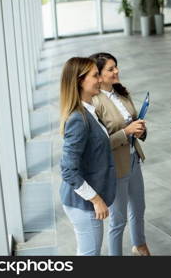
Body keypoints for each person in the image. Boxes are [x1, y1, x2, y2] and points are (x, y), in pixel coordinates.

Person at [89, 52, 151, 256]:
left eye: (116, 66)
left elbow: (134, 121)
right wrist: (127, 131)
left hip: (133, 159)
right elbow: (99, 145)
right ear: (98, 74)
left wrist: (140, 130)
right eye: (110, 69)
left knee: (139, 209)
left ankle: (140, 245)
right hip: (116, 167)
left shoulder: (121, 93)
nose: (116, 71)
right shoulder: (95, 103)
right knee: (118, 220)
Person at [59, 57, 116, 256]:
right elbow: (68, 170)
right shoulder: (78, 119)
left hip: (84, 201)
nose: (100, 79)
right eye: (95, 75)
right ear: (80, 81)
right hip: (83, 204)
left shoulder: (89, 111)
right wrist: (96, 200)